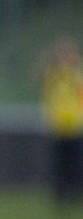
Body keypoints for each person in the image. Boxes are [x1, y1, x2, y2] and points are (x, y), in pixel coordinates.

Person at [41, 36, 83, 209]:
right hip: (58, 126)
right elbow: (47, 95)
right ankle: (60, 197)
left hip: (74, 125)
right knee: (59, 166)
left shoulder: (76, 74)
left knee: (76, 165)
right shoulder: (53, 75)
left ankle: (76, 195)